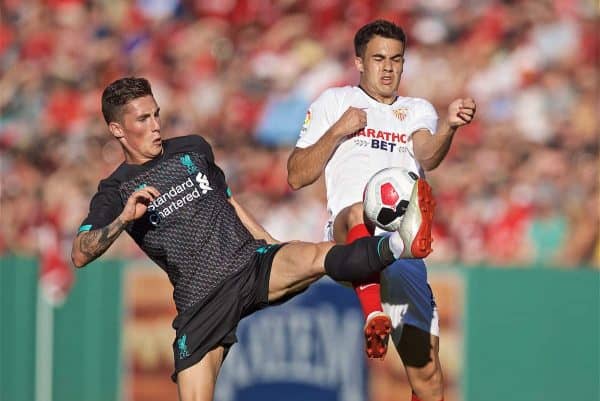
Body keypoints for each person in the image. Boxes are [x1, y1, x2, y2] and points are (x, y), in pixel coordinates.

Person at [71, 77, 435, 401]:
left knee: (318, 255)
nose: (155, 126)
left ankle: (398, 243)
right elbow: (80, 254)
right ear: (118, 130)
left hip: (251, 264)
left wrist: (271, 244)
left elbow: (228, 202)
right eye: (143, 119)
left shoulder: (193, 148)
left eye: (156, 114)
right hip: (201, 303)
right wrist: (122, 219)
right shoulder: (116, 191)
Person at [287, 20, 476, 401]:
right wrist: (338, 131)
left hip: (405, 250)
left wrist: (450, 130)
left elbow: (427, 154)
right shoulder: (334, 103)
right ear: (359, 62)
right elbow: (295, 175)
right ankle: (374, 313)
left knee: (429, 379)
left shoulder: (417, 109)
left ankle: (395, 262)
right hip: (348, 238)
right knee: (360, 211)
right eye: (378, 59)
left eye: (396, 59)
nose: (388, 68)